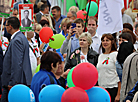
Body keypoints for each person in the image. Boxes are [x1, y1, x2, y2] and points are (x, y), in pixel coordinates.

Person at [1, 17, 32, 102]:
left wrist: (13, 82)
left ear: (10, 26)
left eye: (6, 25)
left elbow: (17, 63)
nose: (5, 27)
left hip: (15, 82)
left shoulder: (17, 40)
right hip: (18, 80)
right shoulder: (20, 37)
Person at [96, 34, 121, 102]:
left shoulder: (115, 55)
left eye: (107, 40)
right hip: (102, 88)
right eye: (103, 40)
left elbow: (119, 75)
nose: (105, 42)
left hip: (113, 88)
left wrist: (118, 94)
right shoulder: (100, 56)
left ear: (112, 42)